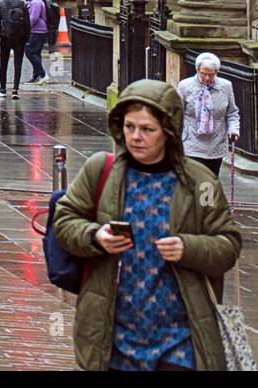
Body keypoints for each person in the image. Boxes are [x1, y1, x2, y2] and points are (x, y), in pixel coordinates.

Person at [52, 79, 241, 371]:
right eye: (129, 127)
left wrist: (189, 247)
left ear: (167, 132)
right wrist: (95, 236)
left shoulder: (200, 181)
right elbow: (64, 220)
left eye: (147, 129)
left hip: (181, 338)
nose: (136, 137)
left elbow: (228, 244)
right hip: (112, 335)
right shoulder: (100, 170)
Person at [176, 53, 241, 177]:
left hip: (216, 145)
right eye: (203, 73)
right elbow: (177, 114)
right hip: (191, 144)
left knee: (210, 183)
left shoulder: (226, 86)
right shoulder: (184, 86)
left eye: (211, 74)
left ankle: (208, 198)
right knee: (194, 181)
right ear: (197, 70)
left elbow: (232, 113)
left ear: (216, 72)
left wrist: (234, 129)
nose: (207, 78)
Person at [0, 0, 30, 99]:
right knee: (18, 64)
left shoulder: (0, 3)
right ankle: (15, 90)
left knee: (3, 63)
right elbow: (27, 22)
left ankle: (3, 88)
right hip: (19, 37)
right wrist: (27, 37)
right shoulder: (22, 3)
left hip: (6, 37)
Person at [22, 0, 49, 83]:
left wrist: (24, 29)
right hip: (37, 31)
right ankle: (36, 76)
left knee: (30, 52)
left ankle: (42, 74)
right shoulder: (34, 1)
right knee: (36, 53)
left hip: (37, 31)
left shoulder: (36, 2)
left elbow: (33, 18)